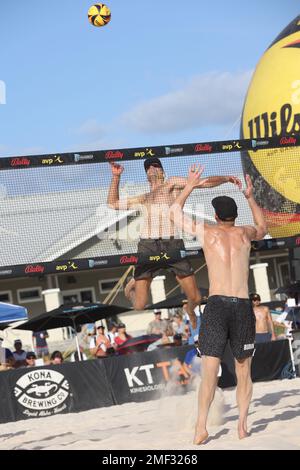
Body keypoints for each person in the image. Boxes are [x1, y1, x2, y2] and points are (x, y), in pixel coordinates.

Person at [170, 165, 267, 444]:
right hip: (240, 304)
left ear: (215, 216)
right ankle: (242, 424)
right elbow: (263, 227)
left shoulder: (207, 232)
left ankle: (201, 427)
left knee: (210, 369)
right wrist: (249, 196)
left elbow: (174, 214)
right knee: (243, 370)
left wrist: (189, 185)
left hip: (216, 306)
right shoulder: (245, 233)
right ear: (235, 217)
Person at [107, 159, 241, 330]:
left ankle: (190, 310)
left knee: (196, 297)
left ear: (163, 172)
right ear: (146, 175)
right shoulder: (144, 197)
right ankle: (133, 283)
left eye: (155, 166)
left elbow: (203, 183)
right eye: (148, 167)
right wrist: (116, 177)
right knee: (140, 305)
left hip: (172, 243)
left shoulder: (172, 184)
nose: (151, 168)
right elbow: (113, 204)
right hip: (148, 245)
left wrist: (226, 178)